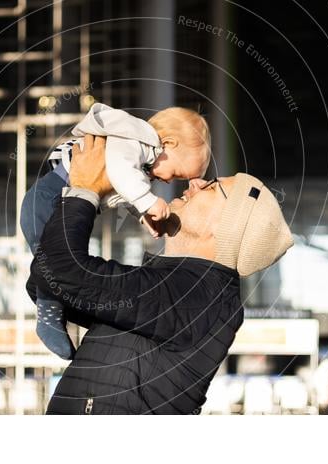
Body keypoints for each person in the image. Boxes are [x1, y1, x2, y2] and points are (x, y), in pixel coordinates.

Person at [26, 135, 294, 414]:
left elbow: (59, 272)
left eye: (213, 187)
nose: (195, 182)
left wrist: (84, 191)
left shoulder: (197, 297)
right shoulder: (179, 288)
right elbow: (48, 281)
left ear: (228, 227)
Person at [20, 103, 211, 360]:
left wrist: (143, 214)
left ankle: (52, 312)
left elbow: (121, 192)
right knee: (54, 265)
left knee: (56, 265)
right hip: (47, 200)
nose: (168, 181)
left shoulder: (142, 159)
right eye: (175, 174)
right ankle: (48, 316)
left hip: (57, 200)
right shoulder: (135, 138)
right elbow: (122, 174)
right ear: (168, 143)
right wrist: (148, 201)